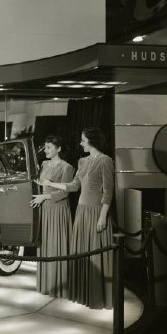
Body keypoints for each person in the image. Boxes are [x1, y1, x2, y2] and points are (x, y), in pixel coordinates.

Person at [36, 127, 114, 309]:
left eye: (83, 140)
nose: (80, 143)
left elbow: (108, 193)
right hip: (81, 211)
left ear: (92, 141)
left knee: (94, 253)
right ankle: (84, 295)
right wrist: (50, 183)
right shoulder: (82, 161)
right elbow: (74, 186)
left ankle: (98, 297)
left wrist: (103, 217)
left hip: (96, 212)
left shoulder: (106, 161)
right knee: (81, 253)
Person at [30, 135, 74, 298]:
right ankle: (46, 285)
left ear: (59, 149)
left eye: (49, 147)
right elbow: (41, 184)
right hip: (45, 209)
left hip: (58, 210)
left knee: (56, 246)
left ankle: (59, 287)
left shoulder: (67, 167)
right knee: (45, 246)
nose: (46, 150)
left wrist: (44, 197)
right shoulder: (43, 164)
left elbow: (64, 192)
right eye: (46, 147)